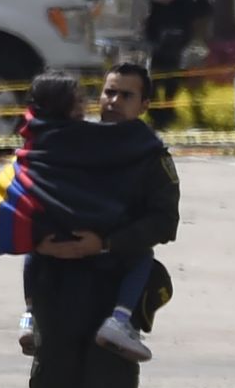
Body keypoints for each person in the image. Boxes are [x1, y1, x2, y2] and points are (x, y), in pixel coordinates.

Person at [20, 63, 179, 388]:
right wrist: (38, 238)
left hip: (115, 290)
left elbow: (163, 221)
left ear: (144, 105)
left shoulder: (150, 155)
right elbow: (27, 192)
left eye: (126, 95)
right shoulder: (67, 141)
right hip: (57, 286)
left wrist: (105, 243)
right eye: (109, 92)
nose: (113, 102)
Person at [11, 72, 156, 363]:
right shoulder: (104, 139)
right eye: (80, 100)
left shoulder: (35, 137)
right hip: (91, 250)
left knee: (32, 254)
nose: (91, 105)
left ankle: (29, 314)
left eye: (125, 95)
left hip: (50, 241)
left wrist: (39, 240)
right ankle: (120, 319)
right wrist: (105, 242)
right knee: (143, 256)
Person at [122, 0, 211, 130]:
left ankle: (169, 103)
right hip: (150, 11)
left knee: (176, 60)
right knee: (152, 60)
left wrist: (203, 1)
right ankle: (154, 107)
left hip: (179, 8)